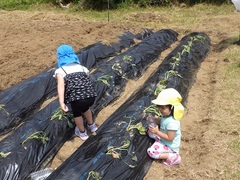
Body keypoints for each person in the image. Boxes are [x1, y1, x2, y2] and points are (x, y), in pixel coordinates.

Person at [54, 44, 98, 141]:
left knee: (77, 112)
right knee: (86, 107)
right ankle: (92, 126)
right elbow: (87, 78)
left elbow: (61, 86)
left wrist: (62, 102)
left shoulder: (61, 71)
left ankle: (82, 133)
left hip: (77, 99)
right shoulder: (82, 67)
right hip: (90, 96)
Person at [146, 88, 184, 166]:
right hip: (163, 138)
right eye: (159, 107)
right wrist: (153, 119)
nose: (160, 109)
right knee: (150, 132)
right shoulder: (166, 116)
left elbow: (170, 138)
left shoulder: (172, 123)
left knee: (151, 152)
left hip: (170, 145)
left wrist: (157, 132)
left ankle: (173, 156)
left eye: (163, 108)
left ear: (172, 107)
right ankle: (158, 140)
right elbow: (162, 121)